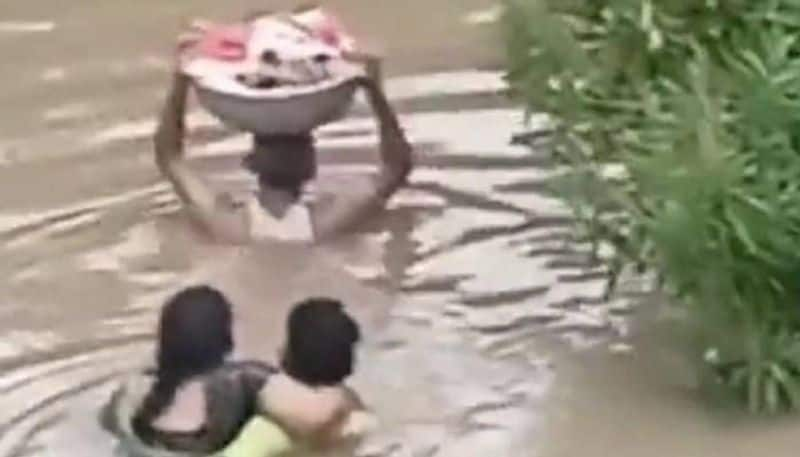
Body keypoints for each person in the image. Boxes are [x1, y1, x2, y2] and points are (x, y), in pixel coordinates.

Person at [155, 22, 413, 244]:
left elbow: (169, 158)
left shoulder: (230, 227)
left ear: (249, 162)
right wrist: (372, 87)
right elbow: (396, 167)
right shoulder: (327, 225)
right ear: (311, 166)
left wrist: (180, 79)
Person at [101, 285, 275, 454]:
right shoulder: (245, 384)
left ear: (163, 343)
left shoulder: (132, 392)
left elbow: (107, 426)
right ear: (226, 340)